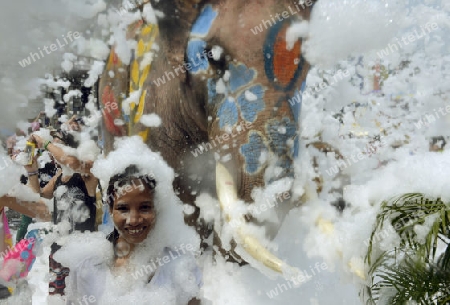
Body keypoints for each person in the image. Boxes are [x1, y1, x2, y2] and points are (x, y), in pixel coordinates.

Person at [61, 165, 202, 305]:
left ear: (157, 207)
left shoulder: (180, 265)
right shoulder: (87, 266)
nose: (134, 220)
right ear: (110, 210)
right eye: (123, 208)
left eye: (145, 207)